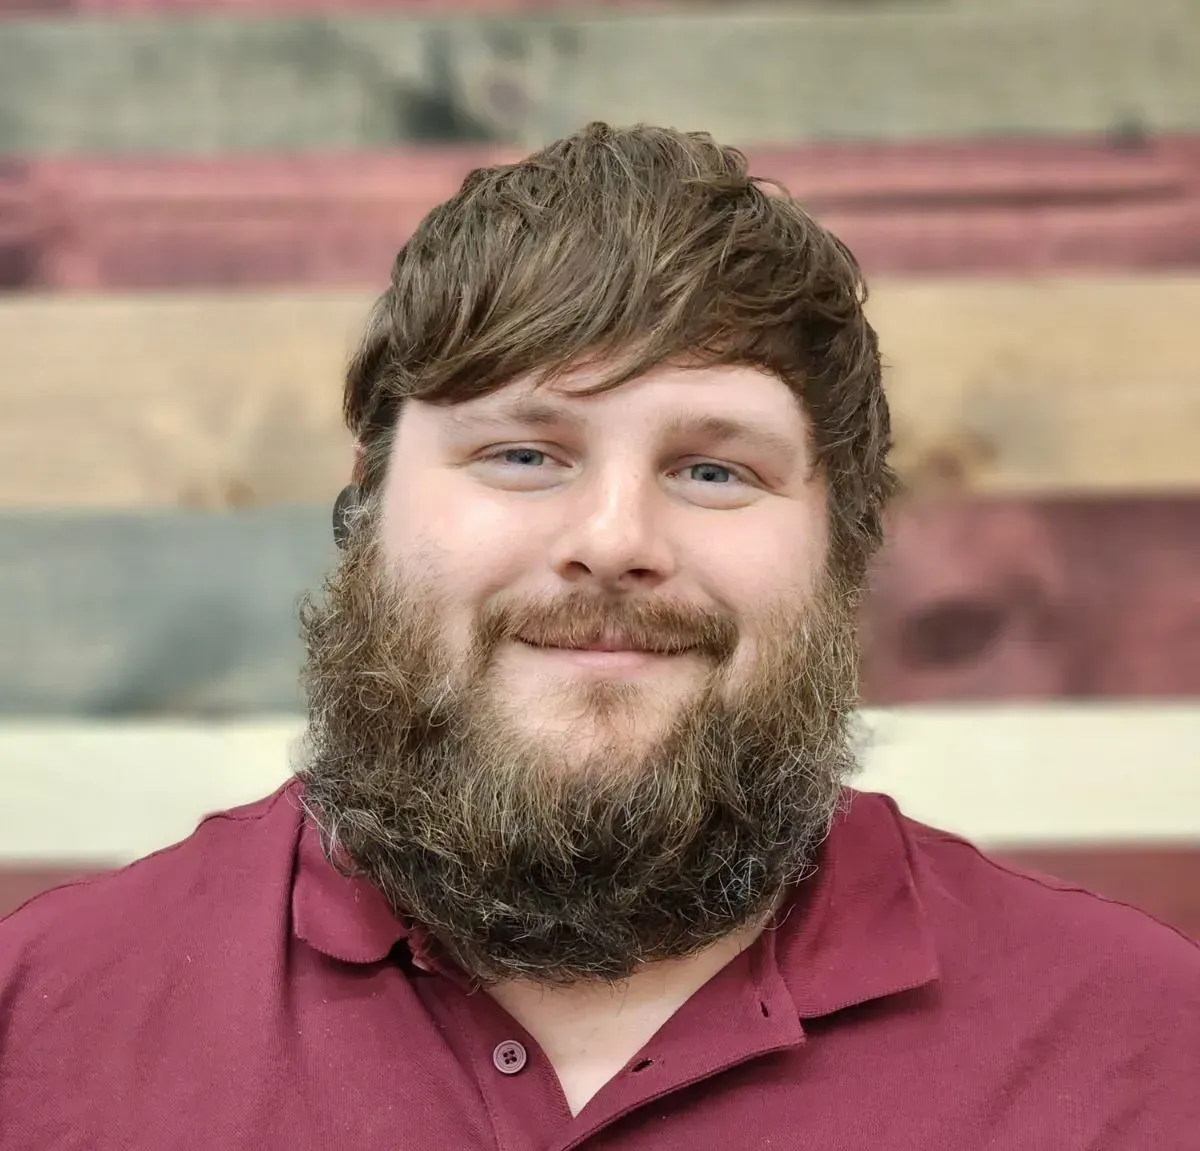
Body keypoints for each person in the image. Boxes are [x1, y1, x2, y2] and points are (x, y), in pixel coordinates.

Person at [1, 122, 1196, 1150]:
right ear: (366, 502)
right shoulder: (39, 1030)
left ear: (845, 547)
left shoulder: (1144, 1047)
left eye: (717, 467)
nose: (615, 536)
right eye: (523, 452)